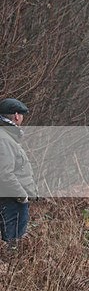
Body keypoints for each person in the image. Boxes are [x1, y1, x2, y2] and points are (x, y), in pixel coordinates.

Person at [0, 97, 37, 249]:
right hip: (12, 200)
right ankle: (10, 270)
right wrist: (21, 195)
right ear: (16, 115)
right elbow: (4, 173)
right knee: (13, 243)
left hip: (12, 197)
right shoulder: (4, 139)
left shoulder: (7, 136)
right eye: (22, 115)